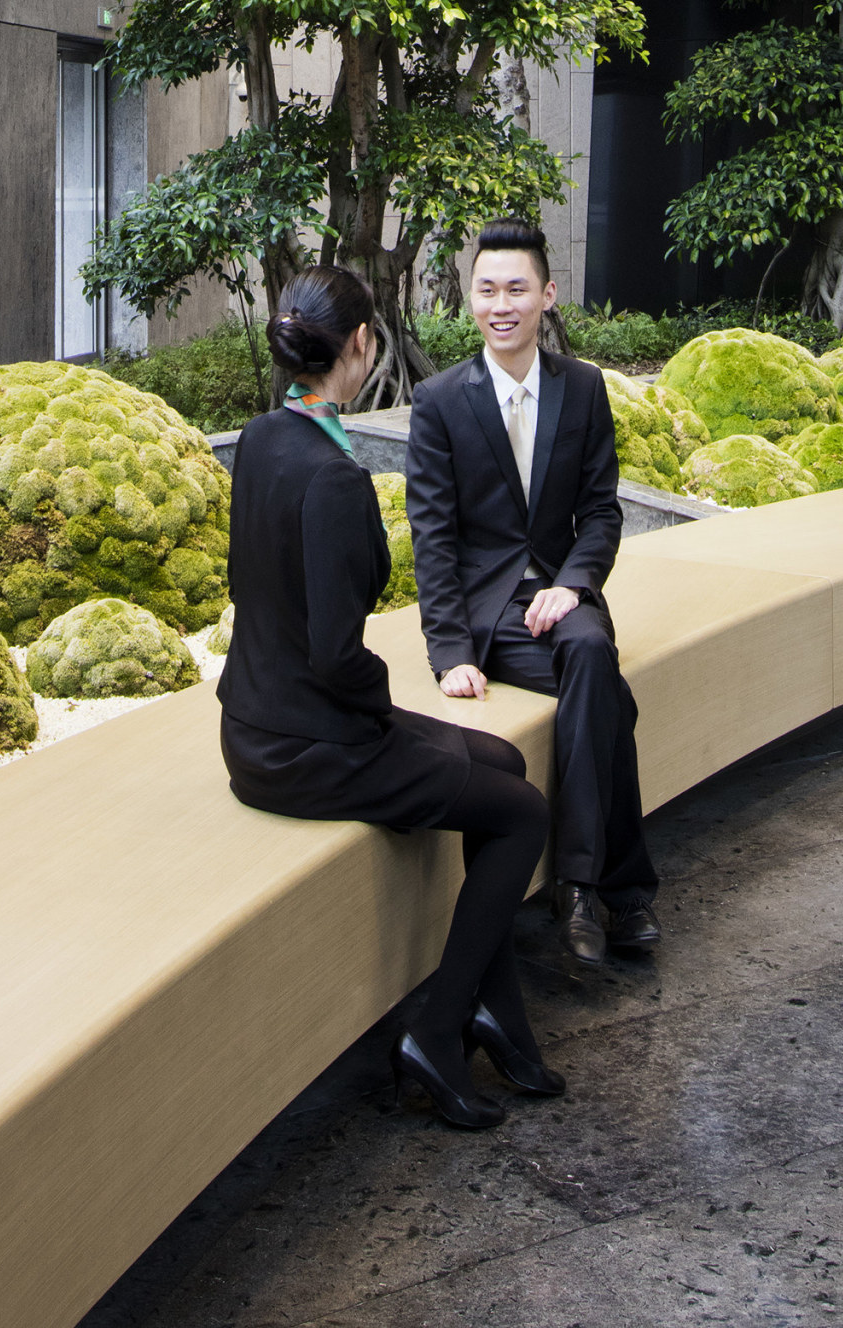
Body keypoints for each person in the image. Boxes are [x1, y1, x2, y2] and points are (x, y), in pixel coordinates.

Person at [218, 261, 563, 1131]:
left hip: (257, 726)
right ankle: (438, 1031)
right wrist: (389, 717)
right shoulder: (332, 478)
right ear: (363, 346)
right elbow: (339, 660)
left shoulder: (264, 438)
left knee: (502, 759)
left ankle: (497, 1016)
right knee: (522, 814)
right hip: (313, 746)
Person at [405, 219, 659, 970]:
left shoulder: (582, 388)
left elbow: (602, 511)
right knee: (608, 694)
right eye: (487, 289)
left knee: (587, 648)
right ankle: (621, 885)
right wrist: (449, 652)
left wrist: (574, 584)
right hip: (490, 615)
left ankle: (577, 884)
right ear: (469, 298)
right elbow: (434, 535)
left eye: (517, 288)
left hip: (562, 602)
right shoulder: (440, 400)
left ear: (548, 295)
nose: (501, 304)